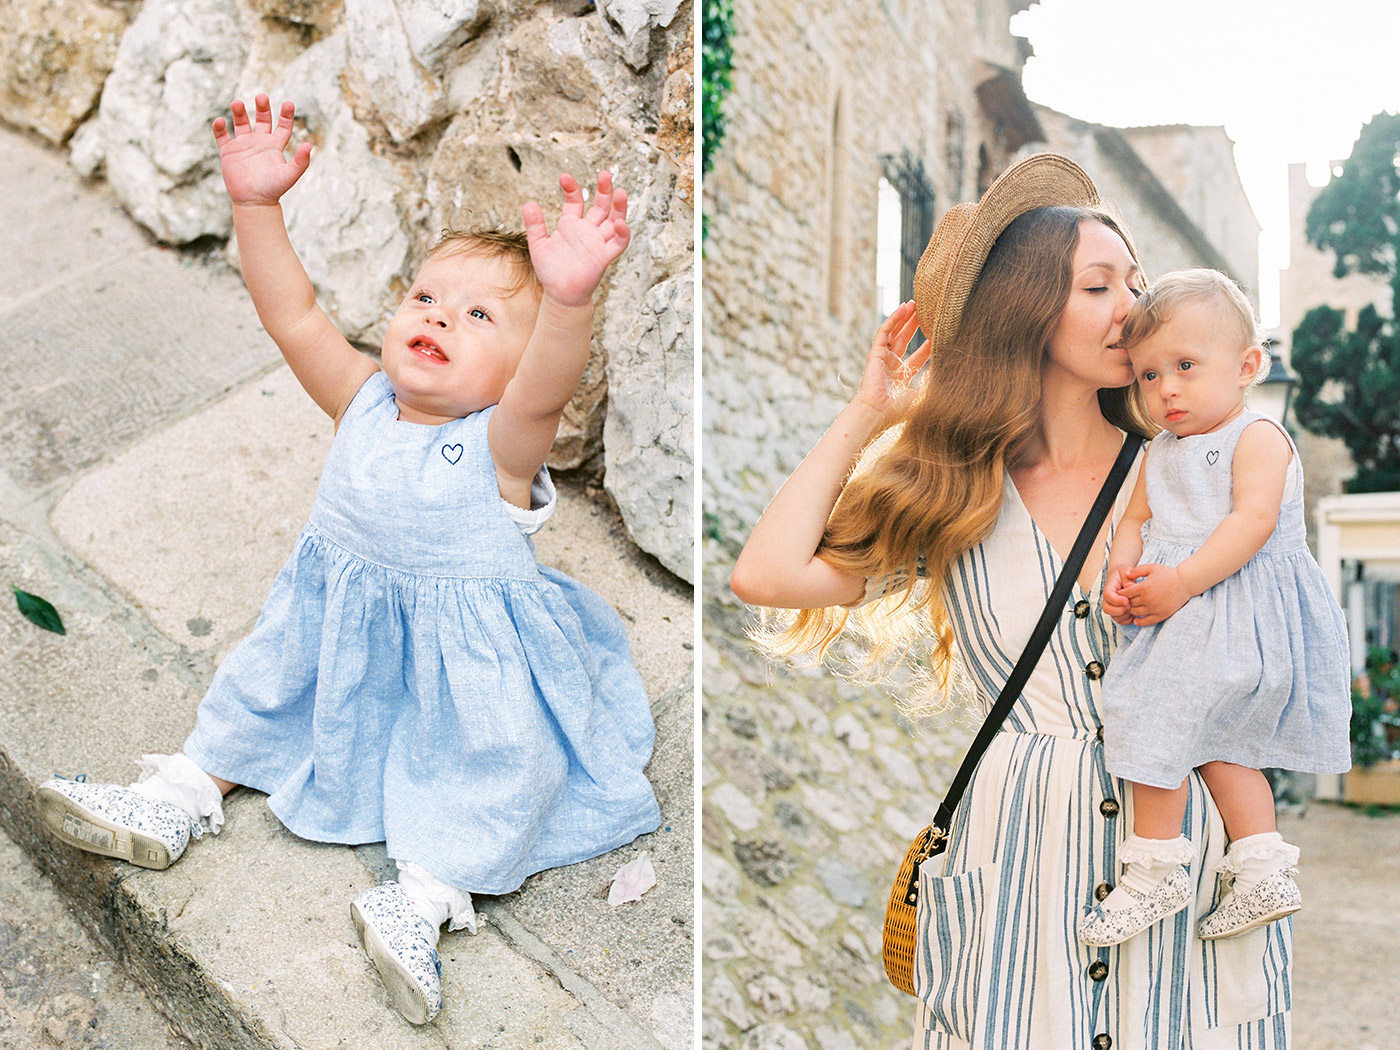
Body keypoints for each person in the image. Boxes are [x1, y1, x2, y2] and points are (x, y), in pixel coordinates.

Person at [34, 95, 660, 1026]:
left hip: (467, 677)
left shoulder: (501, 449)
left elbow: (547, 384)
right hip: (337, 637)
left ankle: (422, 900)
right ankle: (177, 795)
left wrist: (567, 299)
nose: (440, 318)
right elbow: (292, 315)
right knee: (260, 688)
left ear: (513, 372)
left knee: (490, 777)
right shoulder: (362, 401)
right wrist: (255, 207)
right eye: (426, 298)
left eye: (480, 315)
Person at [730, 155, 1293, 1048]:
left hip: (1184, 849)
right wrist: (870, 411)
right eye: (1098, 286)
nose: (1131, 308)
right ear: (1027, 310)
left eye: (1135, 284)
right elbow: (763, 575)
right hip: (1019, 861)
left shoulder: (1191, 478)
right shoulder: (955, 493)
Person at [1076, 270, 1350, 949]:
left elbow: (1251, 526)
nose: (1166, 388)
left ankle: (1154, 869)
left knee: (1152, 723)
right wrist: (1123, 572)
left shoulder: (1257, 436)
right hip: (1186, 617)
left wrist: (1179, 582)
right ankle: (1261, 866)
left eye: (1186, 367)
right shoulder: (1158, 453)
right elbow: (1134, 520)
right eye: (1147, 375)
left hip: (1232, 617)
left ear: (1248, 366)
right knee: (1221, 749)